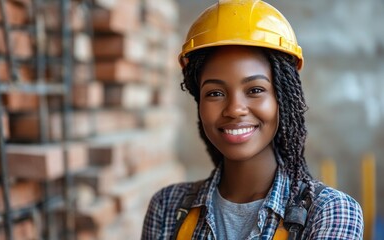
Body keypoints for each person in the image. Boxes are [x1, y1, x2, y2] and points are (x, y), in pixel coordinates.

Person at [141, 0, 364, 239]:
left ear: (282, 99)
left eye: (255, 90)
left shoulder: (330, 212)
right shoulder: (167, 207)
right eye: (215, 93)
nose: (235, 109)